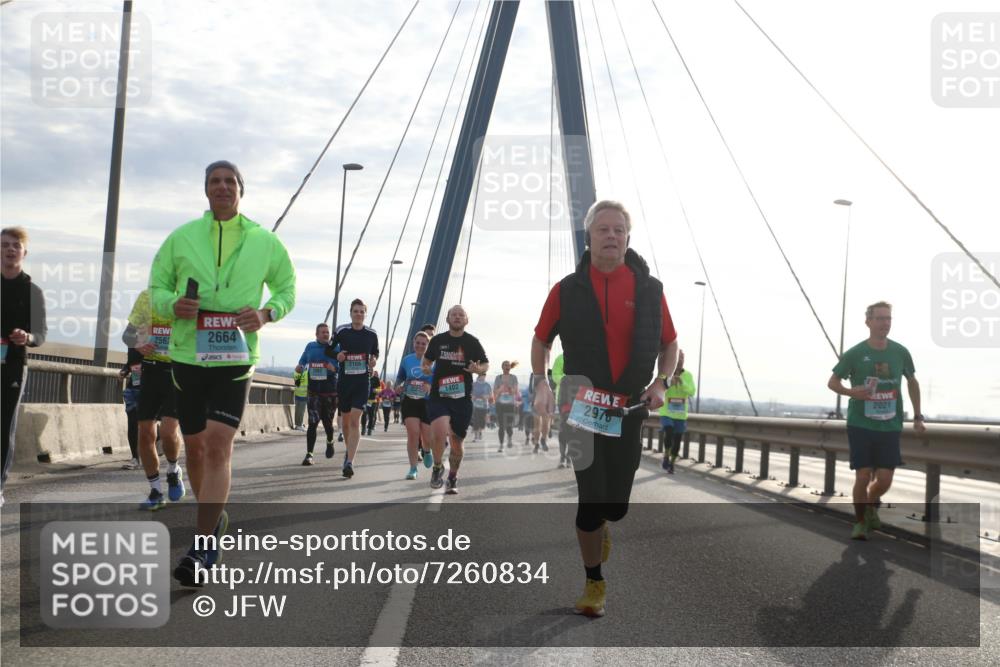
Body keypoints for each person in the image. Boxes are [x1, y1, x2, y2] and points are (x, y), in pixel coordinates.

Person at [151, 160, 296, 586]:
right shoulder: (181, 238)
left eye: (230, 181)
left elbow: (287, 288)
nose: (222, 187)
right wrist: (171, 305)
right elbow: (157, 287)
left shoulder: (264, 241)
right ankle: (213, 519)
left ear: (241, 190)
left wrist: (268, 312)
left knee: (217, 447)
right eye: (215, 181)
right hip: (188, 354)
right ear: (206, 190)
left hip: (235, 357)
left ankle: (201, 548)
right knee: (194, 449)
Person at [531, 200, 678, 617]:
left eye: (618, 230)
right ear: (588, 236)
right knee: (591, 500)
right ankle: (594, 580)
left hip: (629, 409)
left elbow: (670, 343)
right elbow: (541, 340)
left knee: (616, 506)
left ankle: (604, 523)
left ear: (628, 238)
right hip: (581, 408)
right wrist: (541, 381)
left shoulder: (650, 289)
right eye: (602, 230)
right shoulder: (566, 290)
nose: (611, 236)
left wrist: (661, 382)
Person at [828, 301, 925, 541]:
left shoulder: (900, 352)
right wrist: (853, 392)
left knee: (884, 479)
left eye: (888, 318)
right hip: (861, 424)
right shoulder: (855, 353)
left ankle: (871, 505)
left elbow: (912, 382)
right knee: (863, 475)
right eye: (880, 318)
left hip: (889, 425)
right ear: (868, 322)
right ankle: (860, 522)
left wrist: (918, 416)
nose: (885, 323)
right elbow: (833, 382)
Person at [122, 288, 186, 510]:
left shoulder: (188, 297)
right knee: (146, 434)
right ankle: (156, 491)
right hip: (150, 371)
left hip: (178, 372)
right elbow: (127, 334)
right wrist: (139, 345)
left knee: (168, 432)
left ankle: (173, 469)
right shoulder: (147, 297)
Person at [1, 226, 47, 505]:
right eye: (4, 244)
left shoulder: (33, 291)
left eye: (15, 245)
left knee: (4, 425)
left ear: (24, 253)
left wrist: (26, 337)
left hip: (14, 366)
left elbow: (41, 335)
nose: (9, 249)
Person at [423, 305, 488, 494]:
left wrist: (478, 369)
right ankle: (437, 468)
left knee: (457, 443)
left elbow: (485, 364)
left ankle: (452, 476)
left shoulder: (473, 342)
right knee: (439, 431)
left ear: (466, 320)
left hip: (462, 399)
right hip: (439, 396)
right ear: (448, 319)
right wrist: (426, 367)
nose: (457, 317)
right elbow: (426, 361)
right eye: (454, 314)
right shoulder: (437, 340)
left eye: (461, 315)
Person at [331, 299, 379, 478]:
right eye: (355, 311)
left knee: (354, 422)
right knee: (345, 422)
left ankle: (350, 462)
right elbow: (329, 350)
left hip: (362, 382)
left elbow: (376, 352)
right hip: (344, 382)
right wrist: (337, 355)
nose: (358, 314)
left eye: (361, 311)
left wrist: (373, 359)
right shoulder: (341, 331)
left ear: (365, 314)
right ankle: (348, 451)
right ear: (350, 313)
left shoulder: (371, 334)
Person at [295, 323, 338, 466]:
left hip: (331, 391)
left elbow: (342, 367)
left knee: (327, 423)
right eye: (323, 332)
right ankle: (309, 454)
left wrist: (335, 368)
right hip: (314, 391)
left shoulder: (334, 347)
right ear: (317, 334)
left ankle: (330, 441)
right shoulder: (310, 347)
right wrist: (300, 367)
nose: (326, 334)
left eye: (327, 332)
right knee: (313, 423)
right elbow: (302, 361)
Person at [397, 331, 434, 478]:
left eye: (423, 343)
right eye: (417, 343)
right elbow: (400, 377)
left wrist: (430, 387)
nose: (420, 346)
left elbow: (437, 382)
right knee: (413, 434)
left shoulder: (433, 363)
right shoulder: (407, 360)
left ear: (428, 345)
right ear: (414, 343)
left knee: (426, 436)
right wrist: (398, 385)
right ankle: (413, 468)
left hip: (427, 402)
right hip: (410, 400)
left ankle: (426, 450)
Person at [658, 350, 695, 473]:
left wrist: (682, 383)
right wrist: (669, 383)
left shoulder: (688, 375)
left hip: (680, 414)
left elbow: (692, 392)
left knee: (678, 439)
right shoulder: (665, 374)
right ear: (673, 357)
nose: (680, 360)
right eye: (678, 357)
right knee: (668, 431)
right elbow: (659, 389)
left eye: (682, 358)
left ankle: (672, 463)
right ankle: (666, 456)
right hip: (666, 412)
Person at [119, 348, 143, 470]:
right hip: (134, 387)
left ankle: (157, 442)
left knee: (149, 425)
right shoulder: (133, 341)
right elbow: (132, 363)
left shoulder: (157, 334)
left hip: (153, 388)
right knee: (132, 422)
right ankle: (135, 458)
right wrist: (124, 370)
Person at [493, 361, 519, 452]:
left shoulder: (514, 377)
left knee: (509, 426)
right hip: (500, 404)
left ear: (510, 367)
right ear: (502, 367)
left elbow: (515, 392)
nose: (507, 367)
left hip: (510, 405)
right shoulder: (498, 378)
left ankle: (509, 438)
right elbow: (495, 392)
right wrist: (500, 389)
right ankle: (501, 445)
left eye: (508, 365)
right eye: (505, 365)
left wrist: (509, 388)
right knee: (501, 426)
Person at [470, 373, 493, 442]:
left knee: (482, 421)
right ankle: (476, 436)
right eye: (481, 375)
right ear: (478, 376)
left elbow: (490, 395)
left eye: (484, 376)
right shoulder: (474, 384)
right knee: (476, 420)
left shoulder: (487, 385)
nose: (483, 377)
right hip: (475, 405)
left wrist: (486, 397)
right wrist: (472, 396)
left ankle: (480, 432)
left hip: (484, 406)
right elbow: (469, 393)